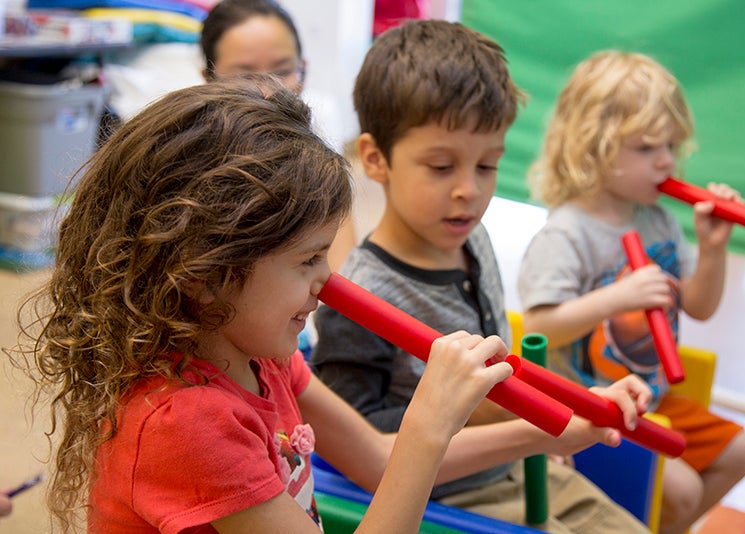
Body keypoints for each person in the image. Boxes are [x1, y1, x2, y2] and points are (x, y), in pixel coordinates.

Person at [8, 74, 650, 533]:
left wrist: (560, 428)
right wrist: (428, 424)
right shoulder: (186, 422)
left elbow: (375, 460)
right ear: (204, 275)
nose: (329, 281)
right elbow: (404, 462)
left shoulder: (258, 355)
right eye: (308, 260)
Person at [310, 20, 653, 533]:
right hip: (446, 501)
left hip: (517, 464)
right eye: (442, 166)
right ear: (376, 159)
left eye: (488, 166)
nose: (469, 190)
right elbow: (358, 444)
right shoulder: (361, 297)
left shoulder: (472, 237)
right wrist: (518, 418)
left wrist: (540, 429)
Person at [517, 50, 745, 534]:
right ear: (592, 147)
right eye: (647, 148)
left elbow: (701, 307)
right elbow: (540, 326)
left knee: (739, 452)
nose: (667, 161)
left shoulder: (660, 220)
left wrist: (712, 251)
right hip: (592, 409)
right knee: (683, 490)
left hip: (654, 401)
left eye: (671, 145)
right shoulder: (566, 234)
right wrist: (616, 298)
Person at [199, 0, 357, 274]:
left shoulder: (320, 128)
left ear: (303, 70)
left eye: (283, 71)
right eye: (245, 75)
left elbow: (345, 265)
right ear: (208, 80)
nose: (269, 91)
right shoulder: (189, 157)